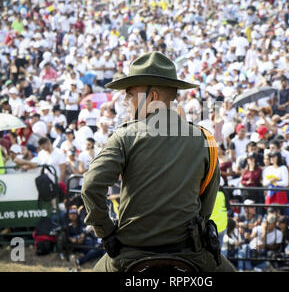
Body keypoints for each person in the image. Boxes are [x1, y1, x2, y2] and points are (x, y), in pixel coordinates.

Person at [81, 51, 236, 272]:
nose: (125, 101)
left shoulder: (124, 136)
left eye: (130, 94)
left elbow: (90, 186)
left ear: (151, 96)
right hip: (191, 253)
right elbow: (206, 205)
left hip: (130, 253)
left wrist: (106, 232)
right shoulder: (204, 139)